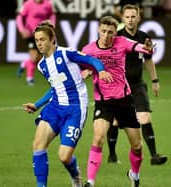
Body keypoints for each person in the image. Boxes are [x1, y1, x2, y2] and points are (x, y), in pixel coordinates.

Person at [23, 21, 113, 187]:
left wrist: (100, 70)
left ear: (52, 39)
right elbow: (55, 88)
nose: (39, 44)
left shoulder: (67, 53)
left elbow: (91, 60)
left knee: (64, 156)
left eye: (42, 39)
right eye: (37, 40)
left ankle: (76, 176)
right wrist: (37, 104)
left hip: (75, 108)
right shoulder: (42, 66)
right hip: (55, 107)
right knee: (38, 144)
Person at [81, 16, 154, 187]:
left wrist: (148, 49)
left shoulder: (121, 42)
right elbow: (80, 69)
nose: (106, 36)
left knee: (137, 146)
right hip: (103, 102)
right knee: (98, 138)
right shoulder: (89, 49)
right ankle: (90, 181)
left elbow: (139, 48)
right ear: (98, 30)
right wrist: (86, 72)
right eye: (104, 31)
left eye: (110, 33)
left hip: (124, 101)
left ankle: (134, 175)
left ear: (115, 33)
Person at [106, 4, 168, 165]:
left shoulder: (144, 36)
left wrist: (155, 81)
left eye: (133, 16)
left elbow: (148, 59)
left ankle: (154, 156)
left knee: (145, 117)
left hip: (138, 85)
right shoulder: (117, 37)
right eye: (127, 17)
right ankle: (112, 156)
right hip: (119, 86)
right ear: (122, 18)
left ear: (139, 18)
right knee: (115, 122)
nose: (130, 20)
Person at [16, 0, 56, 85]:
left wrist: (52, 25)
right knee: (34, 57)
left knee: (40, 57)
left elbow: (52, 15)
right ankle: (30, 78)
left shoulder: (47, 4)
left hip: (43, 35)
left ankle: (25, 63)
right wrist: (22, 30)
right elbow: (19, 17)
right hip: (31, 34)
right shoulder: (28, 4)